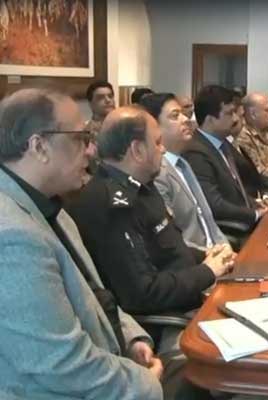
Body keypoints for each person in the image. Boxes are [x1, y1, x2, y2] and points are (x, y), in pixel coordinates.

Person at [0, 88, 161, 399]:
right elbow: (60, 363)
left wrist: (131, 338)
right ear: (39, 146)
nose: (91, 151)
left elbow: (91, 294)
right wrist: (143, 384)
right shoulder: (11, 235)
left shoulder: (52, 209)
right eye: (80, 138)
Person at [68, 105, 236, 320]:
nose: (163, 150)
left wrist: (209, 256)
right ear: (137, 150)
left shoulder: (143, 186)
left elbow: (168, 251)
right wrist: (207, 272)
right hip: (172, 321)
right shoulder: (111, 205)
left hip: (192, 298)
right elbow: (142, 294)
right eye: (157, 143)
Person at [142, 93, 231, 252]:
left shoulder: (183, 163)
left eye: (183, 113)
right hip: (196, 259)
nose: (186, 119)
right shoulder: (157, 173)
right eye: (175, 116)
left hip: (216, 253)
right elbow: (172, 239)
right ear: (155, 127)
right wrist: (210, 256)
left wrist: (225, 248)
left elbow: (209, 222)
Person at [182, 85, 268, 243]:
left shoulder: (222, 143)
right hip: (231, 231)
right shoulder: (196, 152)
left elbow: (237, 189)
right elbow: (214, 204)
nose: (236, 119)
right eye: (230, 113)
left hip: (246, 222)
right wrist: (254, 214)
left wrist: (259, 204)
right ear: (210, 119)